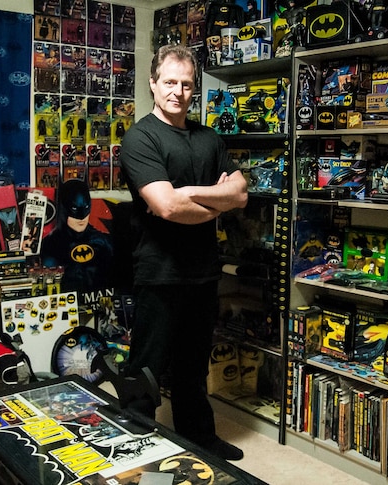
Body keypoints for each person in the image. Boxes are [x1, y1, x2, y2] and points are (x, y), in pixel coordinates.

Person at [119, 44, 248, 461]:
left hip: (202, 271)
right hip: (159, 272)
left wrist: (191, 192)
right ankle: (137, 447)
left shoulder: (209, 138)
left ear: (195, 89)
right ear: (153, 84)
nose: (178, 91)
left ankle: (200, 439)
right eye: (170, 82)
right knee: (147, 366)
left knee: (193, 366)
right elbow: (165, 206)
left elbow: (241, 194)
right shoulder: (140, 137)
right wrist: (214, 202)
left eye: (186, 84)